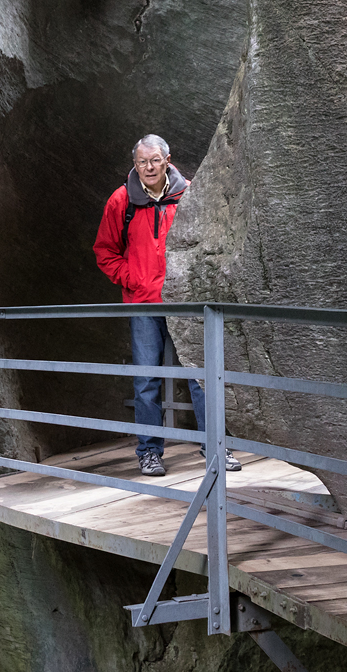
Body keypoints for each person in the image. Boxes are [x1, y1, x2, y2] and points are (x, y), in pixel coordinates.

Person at [93, 134, 239, 477]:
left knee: (203, 378)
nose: (148, 167)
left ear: (167, 159)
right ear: (135, 164)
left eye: (154, 160)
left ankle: (216, 448)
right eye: (142, 162)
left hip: (185, 303)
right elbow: (104, 251)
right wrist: (132, 278)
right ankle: (149, 452)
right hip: (143, 303)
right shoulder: (121, 201)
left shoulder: (189, 195)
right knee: (146, 381)